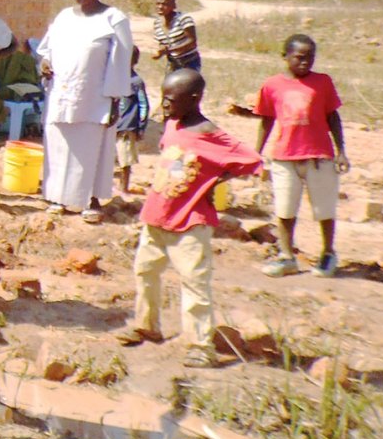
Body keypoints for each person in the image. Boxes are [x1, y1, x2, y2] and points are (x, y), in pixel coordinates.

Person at [115, 68, 260, 368]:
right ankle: (147, 325)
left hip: (191, 221)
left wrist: (212, 182)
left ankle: (199, 344)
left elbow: (251, 160)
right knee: (145, 271)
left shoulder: (211, 133)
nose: (164, 106)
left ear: (194, 99)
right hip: (157, 214)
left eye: (171, 100)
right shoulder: (173, 124)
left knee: (194, 282)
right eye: (163, 99)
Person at [37, 0, 134, 224]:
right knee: (59, 144)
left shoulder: (114, 19)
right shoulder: (64, 17)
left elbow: (122, 62)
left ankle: (90, 199)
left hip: (95, 98)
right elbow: (46, 50)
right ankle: (58, 196)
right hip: (61, 93)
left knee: (92, 148)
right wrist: (44, 64)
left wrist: (114, 99)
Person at [254, 34, 349, 278]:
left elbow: (333, 117)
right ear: (284, 56)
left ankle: (328, 253)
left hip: (318, 156)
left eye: (310, 58)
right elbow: (266, 119)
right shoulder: (272, 85)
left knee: (324, 209)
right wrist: (256, 152)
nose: (306, 62)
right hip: (285, 156)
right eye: (299, 57)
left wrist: (341, 152)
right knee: (285, 210)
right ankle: (287, 256)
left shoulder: (323, 82)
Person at [115, 48, 151, 194]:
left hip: (127, 127)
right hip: (112, 125)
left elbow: (144, 105)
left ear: (134, 61)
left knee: (125, 159)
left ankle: (124, 188)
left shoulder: (136, 82)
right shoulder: (114, 79)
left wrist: (141, 126)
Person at [151, 0, 200, 72]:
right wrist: (160, 51)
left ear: (174, 6)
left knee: (187, 84)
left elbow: (192, 41)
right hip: (173, 62)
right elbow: (162, 43)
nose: (160, 7)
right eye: (158, 4)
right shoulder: (157, 23)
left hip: (189, 61)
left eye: (164, 4)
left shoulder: (183, 19)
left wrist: (169, 50)